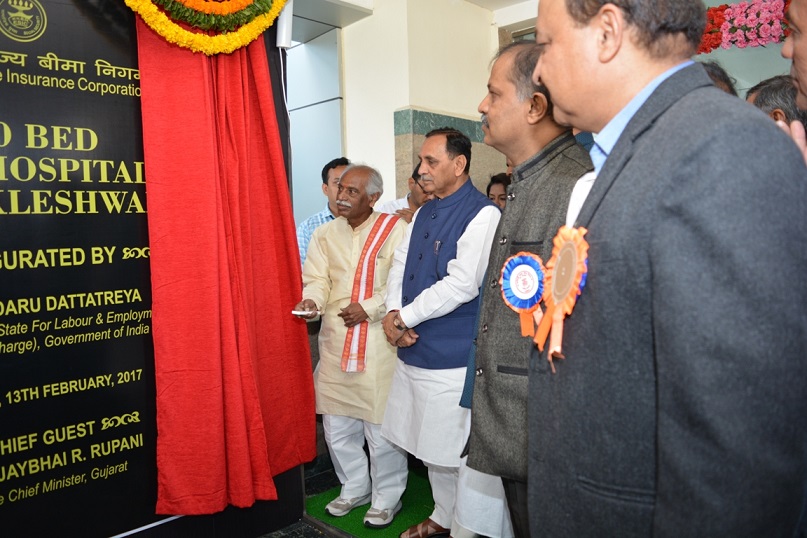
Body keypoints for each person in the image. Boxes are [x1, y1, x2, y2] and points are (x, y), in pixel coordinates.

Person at [529, 0, 807, 536]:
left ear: (607, 32)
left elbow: (735, 451)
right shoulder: (646, 147)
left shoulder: (721, 149)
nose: (539, 69)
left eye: (546, 43)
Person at [469, 40, 593, 538]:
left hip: (543, 423)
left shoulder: (573, 185)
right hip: (517, 419)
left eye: (494, 93)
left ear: (535, 106)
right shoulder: (531, 179)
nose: (482, 105)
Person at [381, 127, 501, 538]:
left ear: (459, 164)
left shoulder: (483, 213)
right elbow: (400, 265)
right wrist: (393, 314)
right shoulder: (424, 211)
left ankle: (469, 528)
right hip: (413, 347)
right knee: (430, 446)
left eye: (431, 161)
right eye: (421, 160)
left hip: (452, 356)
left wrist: (405, 319)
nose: (421, 169)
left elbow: (462, 284)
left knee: (458, 451)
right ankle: (443, 514)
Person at [293, 164, 409, 529]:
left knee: (380, 428)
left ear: (374, 198)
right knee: (337, 426)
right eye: (340, 188)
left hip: (378, 341)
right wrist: (312, 301)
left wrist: (370, 308)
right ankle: (355, 486)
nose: (341, 196)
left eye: (352, 192)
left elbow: (402, 284)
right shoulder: (325, 233)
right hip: (336, 338)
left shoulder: (395, 229)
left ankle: (387, 496)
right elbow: (317, 279)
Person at [296, 157, 350, 266]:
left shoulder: (368, 223)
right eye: (338, 183)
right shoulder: (307, 229)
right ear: (326, 189)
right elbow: (303, 270)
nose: (345, 189)